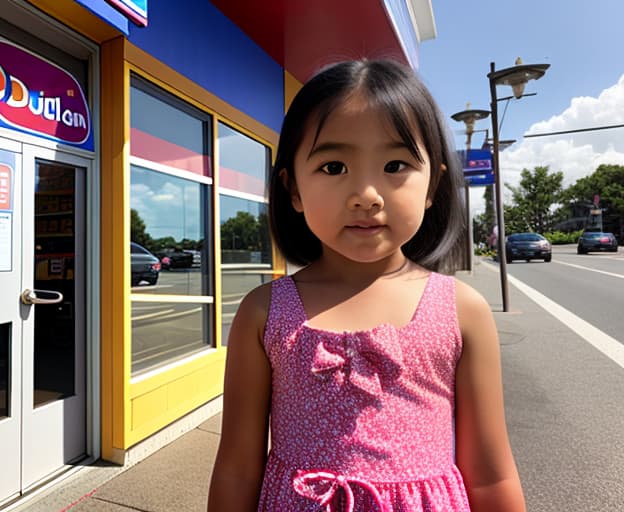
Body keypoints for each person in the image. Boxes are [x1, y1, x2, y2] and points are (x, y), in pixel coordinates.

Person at [207, 59, 525, 511]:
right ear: (292, 188)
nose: (366, 194)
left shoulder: (461, 310)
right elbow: (237, 468)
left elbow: (492, 475)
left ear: (433, 184)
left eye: (395, 164)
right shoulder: (264, 313)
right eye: (334, 167)